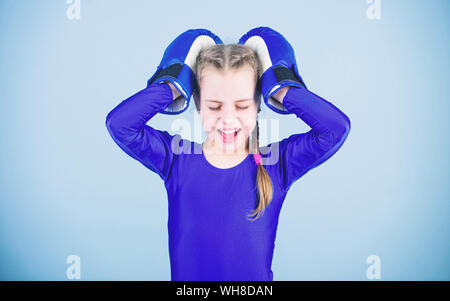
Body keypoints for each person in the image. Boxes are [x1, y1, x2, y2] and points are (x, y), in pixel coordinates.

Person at [105, 27, 351, 281]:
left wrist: (279, 85)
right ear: (198, 104)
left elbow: (335, 129)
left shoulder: (277, 164)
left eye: (242, 105)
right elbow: (121, 124)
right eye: (214, 106)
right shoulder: (176, 159)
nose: (228, 119)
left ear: (258, 104)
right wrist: (175, 82)